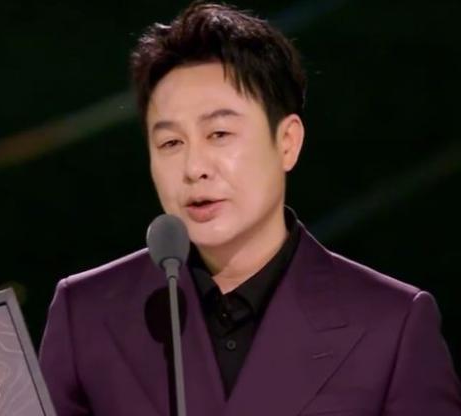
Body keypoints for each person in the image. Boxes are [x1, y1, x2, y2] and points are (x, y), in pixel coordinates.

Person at [39, 3, 461, 415]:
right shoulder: (86, 315)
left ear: (287, 142)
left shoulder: (391, 325)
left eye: (219, 134)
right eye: (170, 142)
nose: (194, 168)